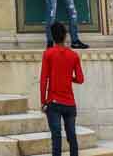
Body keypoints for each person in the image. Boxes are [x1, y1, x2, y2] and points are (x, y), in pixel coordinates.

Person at [40, 22, 84, 156]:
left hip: (53, 103)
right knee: (72, 136)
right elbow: (80, 79)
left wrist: (43, 101)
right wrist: (69, 78)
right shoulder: (74, 55)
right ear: (65, 36)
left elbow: (43, 80)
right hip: (70, 103)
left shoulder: (48, 54)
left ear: (52, 37)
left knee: (56, 138)